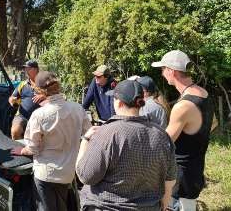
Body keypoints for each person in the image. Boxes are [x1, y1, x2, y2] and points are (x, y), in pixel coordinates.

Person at [76, 80, 177, 211]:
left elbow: (85, 176)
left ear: (119, 102)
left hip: (107, 206)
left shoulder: (106, 133)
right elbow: (170, 180)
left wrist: (85, 140)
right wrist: (163, 205)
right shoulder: (162, 136)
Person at [11, 71, 91, 211]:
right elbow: (89, 134)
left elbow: (33, 148)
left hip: (46, 175)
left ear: (38, 90)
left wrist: (21, 150)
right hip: (69, 173)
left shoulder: (39, 115)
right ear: (58, 86)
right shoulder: (78, 108)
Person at [152, 50, 214, 211]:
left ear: (171, 71)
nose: (162, 73)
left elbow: (165, 142)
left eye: (163, 69)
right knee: (189, 205)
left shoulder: (183, 105)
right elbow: (214, 123)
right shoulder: (204, 94)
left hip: (180, 173)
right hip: (196, 165)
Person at [8, 60, 45, 140]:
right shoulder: (23, 84)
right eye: (25, 69)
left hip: (40, 117)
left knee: (39, 138)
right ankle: (17, 149)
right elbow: (11, 97)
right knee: (15, 131)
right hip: (22, 115)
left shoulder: (44, 83)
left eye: (28, 69)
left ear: (35, 69)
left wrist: (43, 96)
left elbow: (55, 96)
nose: (26, 71)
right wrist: (12, 100)